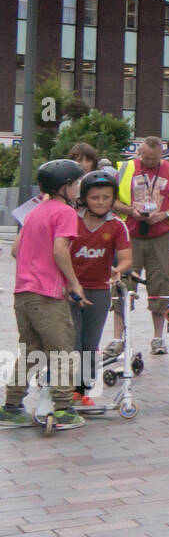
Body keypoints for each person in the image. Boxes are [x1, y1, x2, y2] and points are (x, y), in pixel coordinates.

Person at [2, 159, 87, 432]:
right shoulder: (64, 212)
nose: (77, 189)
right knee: (62, 350)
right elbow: (60, 251)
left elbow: (15, 250)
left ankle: (11, 407)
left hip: (23, 294)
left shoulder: (35, 211)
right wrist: (73, 283)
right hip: (48, 296)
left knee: (30, 351)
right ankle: (63, 409)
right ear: (64, 187)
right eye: (75, 184)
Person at [112, 135, 169, 355]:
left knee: (161, 285)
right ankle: (117, 338)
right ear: (139, 152)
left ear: (161, 154)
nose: (149, 162)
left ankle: (157, 338)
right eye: (145, 157)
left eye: (153, 158)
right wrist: (129, 210)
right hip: (129, 235)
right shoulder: (125, 169)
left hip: (160, 235)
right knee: (122, 285)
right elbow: (110, 199)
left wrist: (165, 215)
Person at [68, 169, 131, 407]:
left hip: (99, 291)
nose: (101, 202)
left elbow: (126, 257)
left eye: (106, 197)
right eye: (95, 197)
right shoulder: (71, 220)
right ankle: (68, 389)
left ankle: (83, 390)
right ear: (84, 198)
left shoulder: (117, 226)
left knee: (89, 342)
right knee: (71, 340)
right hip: (71, 290)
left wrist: (118, 270)